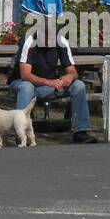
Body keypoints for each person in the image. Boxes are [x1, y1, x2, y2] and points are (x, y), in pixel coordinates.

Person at [11, 16, 99, 144]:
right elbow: (25, 75)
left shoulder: (61, 41)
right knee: (26, 86)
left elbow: (73, 72)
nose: (50, 41)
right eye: (47, 37)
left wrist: (67, 78)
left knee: (78, 85)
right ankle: (20, 133)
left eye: (52, 37)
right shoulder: (29, 40)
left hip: (48, 86)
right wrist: (48, 82)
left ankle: (81, 132)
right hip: (23, 84)